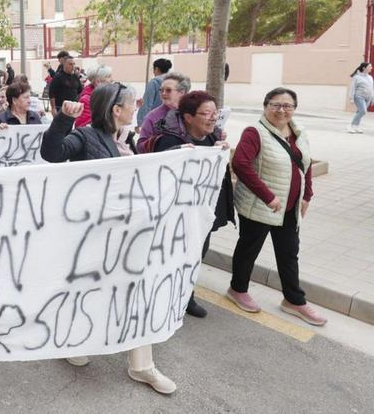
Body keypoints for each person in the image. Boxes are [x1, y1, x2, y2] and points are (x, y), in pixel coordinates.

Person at [41, 83, 176, 395]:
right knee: (85, 291)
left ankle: (142, 365)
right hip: (92, 235)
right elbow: (51, 154)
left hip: (128, 234)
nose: (136, 106)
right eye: (132, 103)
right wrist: (63, 120)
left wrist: (181, 156)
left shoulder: (128, 138)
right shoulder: (85, 136)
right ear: (117, 110)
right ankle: (72, 340)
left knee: (136, 292)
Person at [228, 87, 327, 326]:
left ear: (294, 108)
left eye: (288, 106)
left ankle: (293, 300)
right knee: (249, 249)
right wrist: (268, 196)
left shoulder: (298, 131)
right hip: (260, 206)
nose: (282, 110)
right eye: (275, 105)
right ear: (265, 106)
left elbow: (306, 164)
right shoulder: (255, 132)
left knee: (289, 254)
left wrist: (307, 196)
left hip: (290, 208)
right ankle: (237, 289)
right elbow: (240, 164)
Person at [148, 91, 234, 318]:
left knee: (197, 254)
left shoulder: (213, 138)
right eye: (206, 113)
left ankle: (187, 296)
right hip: (174, 216)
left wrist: (221, 152)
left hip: (201, 213)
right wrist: (175, 154)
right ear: (188, 117)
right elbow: (157, 174)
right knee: (171, 258)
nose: (213, 118)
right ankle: (162, 297)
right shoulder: (170, 140)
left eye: (215, 113)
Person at [136, 71, 191, 152]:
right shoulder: (152, 116)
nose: (163, 93)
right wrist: (159, 142)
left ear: (182, 92)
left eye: (168, 90)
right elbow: (140, 146)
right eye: (161, 90)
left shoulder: (193, 113)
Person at [137, 58, 173, 124]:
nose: (153, 72)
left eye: (153, 69)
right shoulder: (174, 82)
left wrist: (140, 122)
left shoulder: (154, 83)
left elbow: (147, 104)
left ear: (156, 69)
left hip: (156, 122)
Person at [348, 62, 373, 133]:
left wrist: (372, 98)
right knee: (363, 111)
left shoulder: (370, 77)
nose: (371, 68)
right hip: (359, 96)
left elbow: (372, 88)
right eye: (370, 67)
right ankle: (351, 126)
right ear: (364, 68)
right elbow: (352, 88)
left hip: (368, 98)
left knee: (359, 112)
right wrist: (351, 98)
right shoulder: (356, 77)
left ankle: (356, 126)